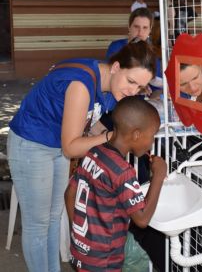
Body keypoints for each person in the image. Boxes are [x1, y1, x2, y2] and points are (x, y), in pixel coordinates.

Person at [7, 40, 156, 272]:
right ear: (116, 67)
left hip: (54, 143)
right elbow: (71, 148)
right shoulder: (82, 85)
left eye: (139, 88)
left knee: (54, 217)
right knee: (38, 224)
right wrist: (110, 138)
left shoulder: (109, 85)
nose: (132, 91)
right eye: (131, 81)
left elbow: (90, 119)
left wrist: (111, 136)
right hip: (31, 144)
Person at [65, 96, 167, 271]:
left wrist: (79, 235)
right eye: (152, 136)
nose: (152, 142)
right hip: (104, 261)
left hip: (81, 252)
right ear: (136, 134)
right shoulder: (123, 171)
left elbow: (69, 194)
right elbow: (142, 219)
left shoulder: (94, 153)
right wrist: (158, 176)